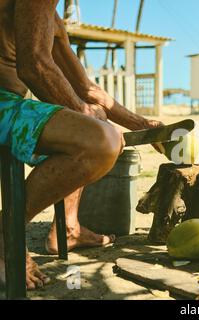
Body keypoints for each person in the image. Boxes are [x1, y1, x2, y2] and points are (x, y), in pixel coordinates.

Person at [0, 0, 163, 290]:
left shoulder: (51, 19)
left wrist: (140, 124)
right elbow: (33, 65)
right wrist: (86, 115)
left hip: (10, 104)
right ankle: (6, 232)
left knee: (86, 123)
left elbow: (85, 88)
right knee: (97, 139)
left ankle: (69, 227)